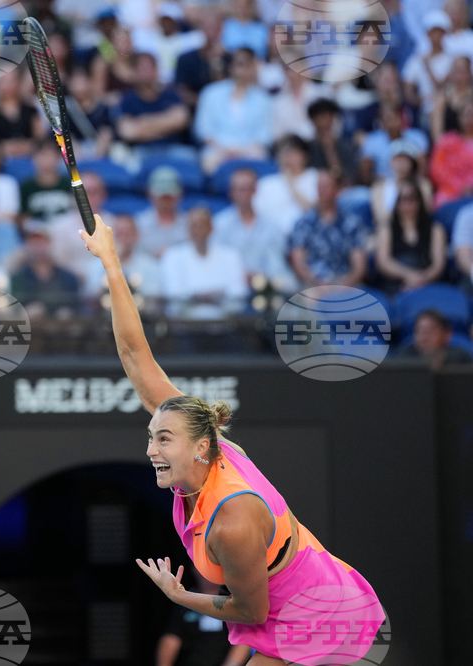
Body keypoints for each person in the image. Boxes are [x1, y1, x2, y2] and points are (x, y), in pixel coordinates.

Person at [78, 211, 385, 666]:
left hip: (314, 613)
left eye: (163, 440)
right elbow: (135, 356)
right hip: (296, 594)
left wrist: (178, 595)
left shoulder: (233, 521)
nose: (150, 450)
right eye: (151, 436)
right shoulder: (201, 436)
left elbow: (250, 609)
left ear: (201, 446)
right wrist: (110, 262)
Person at [212, 169, 295, 291]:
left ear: (255, 190)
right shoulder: (219, 225)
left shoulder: (272, 226)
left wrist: (260, 278)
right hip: (229, 289)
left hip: (266, 287)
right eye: (240, 189)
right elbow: (215, 264)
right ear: (231, 192)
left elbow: (279, 267)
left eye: (248, 188)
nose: (245, 193)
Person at [159, 207, 248, 319]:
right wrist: (215, 294)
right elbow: (173, 294)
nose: (199, 230)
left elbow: (238, 293)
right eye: (194, 226)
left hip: (225, 324)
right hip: (183, 326)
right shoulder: (172, 256)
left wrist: (196, 296)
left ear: (211, 228)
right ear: (188, 229)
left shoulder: (231, 255)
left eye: (203, 225)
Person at [193, 48, 271, 174]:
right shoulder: (210, 93)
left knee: (261, 158)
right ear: (231, 66)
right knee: (208, 162)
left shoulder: (263, 99)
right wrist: (223, 149)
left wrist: (241, 151)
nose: (243, 70)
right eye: (239, 64)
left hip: (250, 150)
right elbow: (203, 128)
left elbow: (265, 134)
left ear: (254, 67)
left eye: (247, 65)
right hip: (217, 149)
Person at [156, 566, 253, 666]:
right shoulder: (184, 601)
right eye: (201, 567)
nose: (206, 573)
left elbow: (245, 638)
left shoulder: (233, 601)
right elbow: (171, 637)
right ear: (193, 570)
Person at [287, 170, 368, 288]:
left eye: (326, 186)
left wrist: (343, 286)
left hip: (346, 284)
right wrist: (317, 284)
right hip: (313, 285)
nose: (321, 191)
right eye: (319, 187)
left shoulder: (351, 223)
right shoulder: (303, 223)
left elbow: (359, 266)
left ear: (336, 190)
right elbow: (298, 262)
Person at [374, 178, 447, 294]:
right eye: (403, 199)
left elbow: (438, 265)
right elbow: (383, 262)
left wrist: (421, 279)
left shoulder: (436, 229)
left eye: (412, 198)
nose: (407, 204)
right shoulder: (386, 229)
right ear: (397, 203)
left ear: (420, 201)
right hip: (396, 284)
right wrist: (409, 276)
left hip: (428, 282)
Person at [113, 52, 191, 159]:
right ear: (135, 72)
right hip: (141, 151)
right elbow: (128, 132)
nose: (146, 72)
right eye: (142, 68)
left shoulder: (171, 94)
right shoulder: (127, 99)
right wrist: (167, 123)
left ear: (156, 70)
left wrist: (142, 124)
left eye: (149, 67)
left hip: (173, 148)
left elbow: (181, 120)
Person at [10, 221, 80, 319]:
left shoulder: (68, 277)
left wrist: (67, 313)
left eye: (42, 241)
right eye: (33, 241)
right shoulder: (18, 278)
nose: (38, 245)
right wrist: (27, 312)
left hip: (63, 331)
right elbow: (12, 310)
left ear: (50, 242)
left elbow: (78, 307)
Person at [252, 135, 317, 238]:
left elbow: (313, 211)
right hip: (272, 238)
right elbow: (257, 215)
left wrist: (290, 183)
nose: (287, 156)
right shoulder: (265, 183)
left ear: (304, 156)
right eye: (283, 152)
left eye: (292, 152)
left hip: (306, 236)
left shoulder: (315, 178)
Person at [84, 214, 160, 299]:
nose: (124, 237)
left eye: (128, 233)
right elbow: (92, 297)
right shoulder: (96, 265)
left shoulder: (150, 265)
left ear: (137, 235)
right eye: (119, 233)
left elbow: (154, 299)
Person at [369, 139, 434, 229]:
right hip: (390, 231)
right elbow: (380, 218)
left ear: (412, 163)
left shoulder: (424, 185)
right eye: (398, 159)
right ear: (391, 162)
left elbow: (426, 212)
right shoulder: (379, 188)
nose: (401, 164)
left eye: (405, 159)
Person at [401, 10, 454, 118]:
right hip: (423, 112)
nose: (436, 35)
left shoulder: (452, 60)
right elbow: (407, 86)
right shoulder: (416, 60)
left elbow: (442, 87)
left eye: (439, 31)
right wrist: (418, 101)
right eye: (433, 32)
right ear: (427, 34)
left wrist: (427, 66)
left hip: (448, 111)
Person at [359, 103, 429, 182]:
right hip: (382, 183)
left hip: (412, 183)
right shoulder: (371, 141)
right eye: (388, 119)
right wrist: (384, 183)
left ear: (401, 118)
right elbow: (365, 173)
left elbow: (422, 168)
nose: (392, 123)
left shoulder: (417, 137)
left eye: (394, 118)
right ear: (381, 122)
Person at [174, 12, 228, 109]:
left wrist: (217, 62)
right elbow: (180, 90)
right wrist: (202, 102)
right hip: (196, 109)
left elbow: (224, 90)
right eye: (208, 28)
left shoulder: (230, 59)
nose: (211, 32)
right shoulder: (186, 59)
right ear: (202, 30)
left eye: (215, 28)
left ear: (221, 30)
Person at [0, 68, 42, 157]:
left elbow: (41, 138)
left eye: (11, 80)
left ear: (18, 82)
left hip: (30, 158)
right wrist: (2, 147)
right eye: (4, 81)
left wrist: (27, 146)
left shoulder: (31, 110)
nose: (8, 85)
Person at [136, 166, 189, 258]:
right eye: (162, 197)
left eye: (169, 197)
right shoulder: (139, 224)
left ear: (180, 195)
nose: (166, 202)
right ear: (149, 194)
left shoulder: (189, 224)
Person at [429, 99, 473, 206]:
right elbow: (436, 170)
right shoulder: (446, 141)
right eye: (466, 115)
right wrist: (459, 187)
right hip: (448, 196)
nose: (470, 118)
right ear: (459, 118)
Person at [306, 98, 357, 186]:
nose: (325, 122)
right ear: (312, 120)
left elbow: (342, 180)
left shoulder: (346, 147)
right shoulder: (306, 148)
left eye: (329, 117)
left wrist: (330, 150)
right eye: (320, 117)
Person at [20, 139, 74, 223]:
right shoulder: (26, 187)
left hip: (65, 229)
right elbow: (22, 216)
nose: (46, 159)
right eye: (42, 155)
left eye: (50, 155)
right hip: (37, 231)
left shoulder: (69, 184)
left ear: (58, 158)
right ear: (34, 159)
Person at [397, 309, 473, 368]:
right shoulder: (405, 357)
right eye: (419, 331)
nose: (424, 336)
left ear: (447, 334)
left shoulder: (460, 358)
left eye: (431, 331)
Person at [430, 54, 473, 142]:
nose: (460, 73)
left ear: (469, 71)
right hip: (449, 144)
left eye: (462, 69)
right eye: (456, 69)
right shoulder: (442, 96)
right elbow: (436, 127)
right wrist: (442, 146)